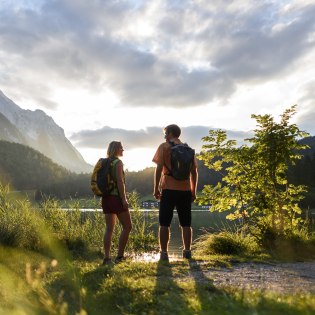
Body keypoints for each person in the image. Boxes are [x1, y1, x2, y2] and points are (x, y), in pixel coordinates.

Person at [152, 124, 198, 261]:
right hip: (185, 190)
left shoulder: (164, 147)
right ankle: (187, 251)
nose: (165, 136)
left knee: (164, 223)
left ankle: (164, 253)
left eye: (166, 133)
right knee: (186, 223)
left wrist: (156, 188)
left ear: (171, 133)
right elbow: (194, 172)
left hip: (168, 189)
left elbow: (159, 168)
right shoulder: (188, 149)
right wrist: (193, 191)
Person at [102, 141, 132, 265]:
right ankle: (119, 257)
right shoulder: (118, 163)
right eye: (121, 148)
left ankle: (107, 258)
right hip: (116, 198)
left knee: (109, 229)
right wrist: (123, 198)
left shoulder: (105, 162)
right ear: (116, 149)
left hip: (106, 198)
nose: (123, 150)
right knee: (127, 226)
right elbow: (120, 181)